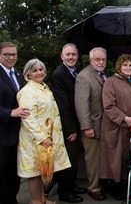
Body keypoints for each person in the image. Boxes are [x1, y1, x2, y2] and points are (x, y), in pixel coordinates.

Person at [17, 58, 71, 204]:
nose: (39, 72)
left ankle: (43, 199)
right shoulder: (28, 92)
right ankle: (35, 201)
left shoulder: (43, 88)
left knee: (43, 171)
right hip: (35, 140)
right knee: (34, 173)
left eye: (41, 69)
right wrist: (42, 137)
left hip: (47, 139)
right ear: (28, 74)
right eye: (34, 70)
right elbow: (28, 118)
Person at [99, 54, 131, 200]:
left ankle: (125, 184)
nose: (128, 67)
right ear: (119, 66)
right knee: (114, 158)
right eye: (125, 65)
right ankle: (113, 187)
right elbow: (108, 105)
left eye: (130, 65)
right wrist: (124, 118)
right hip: (114, 126)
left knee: (126, 156)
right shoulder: (111, 81)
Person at [50, 43, 86, 203]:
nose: (71, 57)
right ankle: (65, 192)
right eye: (68, 54)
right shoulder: (59, 74)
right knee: (67, 159)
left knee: (74, 158)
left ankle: (71, 186)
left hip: (76, 122)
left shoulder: (74, 72)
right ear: (62, 56)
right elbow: (62, 105)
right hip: (68, 125)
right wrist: (70, 129)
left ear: (77, 56)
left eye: (73, 54)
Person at [75, 47, 107, 201]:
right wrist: (87, 127)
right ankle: (93, 188)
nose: (101, 62)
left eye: (103, 59)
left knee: (100, 158)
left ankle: (101, 184)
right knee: (93, 160)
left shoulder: (102, 75)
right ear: (90, 60)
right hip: (91, 127)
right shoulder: (84, 76)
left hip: (103, 125)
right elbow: (81, 105)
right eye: (97, 59)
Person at [0, 42, 30, 204]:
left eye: (14, 54)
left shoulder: (18, 75)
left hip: (18, 134)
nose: (11, 57)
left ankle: (11, 200)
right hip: (2, 134)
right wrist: (10, 113)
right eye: (7, 54)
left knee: (13, 174)